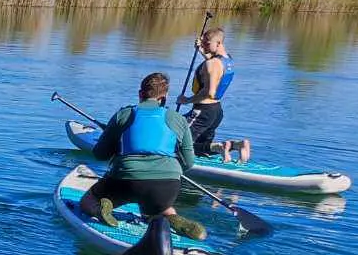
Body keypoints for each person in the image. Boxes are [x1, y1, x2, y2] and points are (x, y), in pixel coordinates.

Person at [85, 72, 208, 241]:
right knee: (160, 209)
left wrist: (117, 145)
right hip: (167, 185)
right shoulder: (178, 119)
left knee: (87, 202)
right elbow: (189, 162)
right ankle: (171, 218)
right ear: (164, 97)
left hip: (126, 180)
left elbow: (100, 154)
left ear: (140, 94)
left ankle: (101, 207)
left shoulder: (124, 114)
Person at [178, 27, 250, 164]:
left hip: (202, 112)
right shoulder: (227, 60)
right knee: (200, 149)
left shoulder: (212, 64)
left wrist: (186, 100)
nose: (204, 45)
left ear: (218, 43)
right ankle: (235, 145)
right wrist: (201, 50)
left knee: (179, 143)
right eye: (203, 42)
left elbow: (209, 92)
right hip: (216, 111)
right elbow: (214, 66)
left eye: (207, 43)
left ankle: (220, 147)